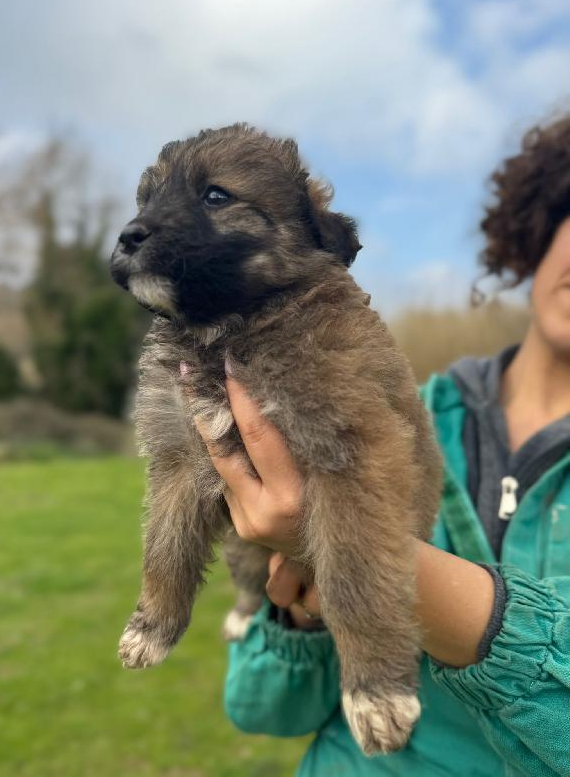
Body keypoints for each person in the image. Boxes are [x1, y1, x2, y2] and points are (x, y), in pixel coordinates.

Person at [193, 114, 570, 776]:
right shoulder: (405, 411)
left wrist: (349, 551)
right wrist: (300, 606)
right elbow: (262, 709)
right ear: (543, 225)